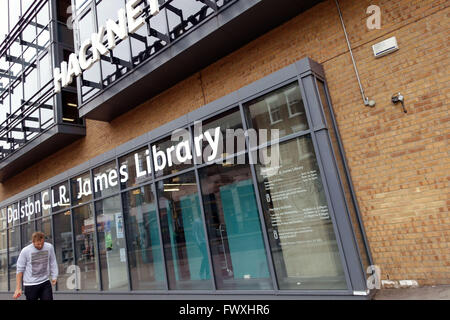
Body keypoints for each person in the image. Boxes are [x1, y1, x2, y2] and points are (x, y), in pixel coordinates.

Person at [13, 231, 58, 300]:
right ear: (33, 242)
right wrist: (18, 288)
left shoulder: (49, 247)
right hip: (30, 285)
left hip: (45, 282)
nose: (40, 246)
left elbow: (53, 261)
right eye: (38, 244)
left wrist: (54, 276)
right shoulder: (25, 251)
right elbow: (19, 269)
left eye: (42, 244)